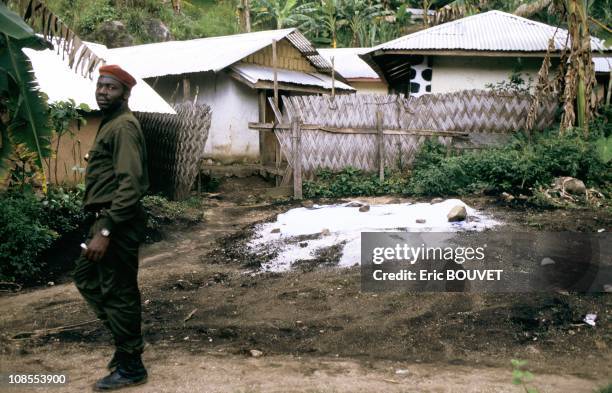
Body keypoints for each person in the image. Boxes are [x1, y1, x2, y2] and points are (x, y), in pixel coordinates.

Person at [73, 64, 149, 391]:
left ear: (126, 93)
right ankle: (126, 343)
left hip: (116, 222)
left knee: (119, 292)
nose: (103, 92)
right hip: (105, 218)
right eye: (101, 86)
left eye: (111, 88)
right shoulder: (111, 123)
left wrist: (106, 231)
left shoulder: (124, 127)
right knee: (87, 277)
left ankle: (131, 365)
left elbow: (129, 185)